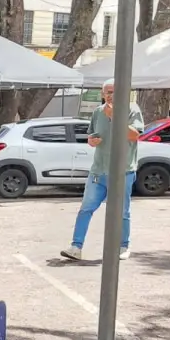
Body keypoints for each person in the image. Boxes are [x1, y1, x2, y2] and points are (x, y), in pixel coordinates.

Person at [61, 78, 143, 262]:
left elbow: (134, 135)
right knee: (86, 209)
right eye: (108, 92)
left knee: (122, 211)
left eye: (115, 91)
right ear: (102, 94)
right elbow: (92, 136)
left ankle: (123, 245)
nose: (111, 95)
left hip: (123, 171)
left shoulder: (132, 109)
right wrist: (92, 141)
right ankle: (76, 247)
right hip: (98, 170)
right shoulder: (98, 112)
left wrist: (115, 116)